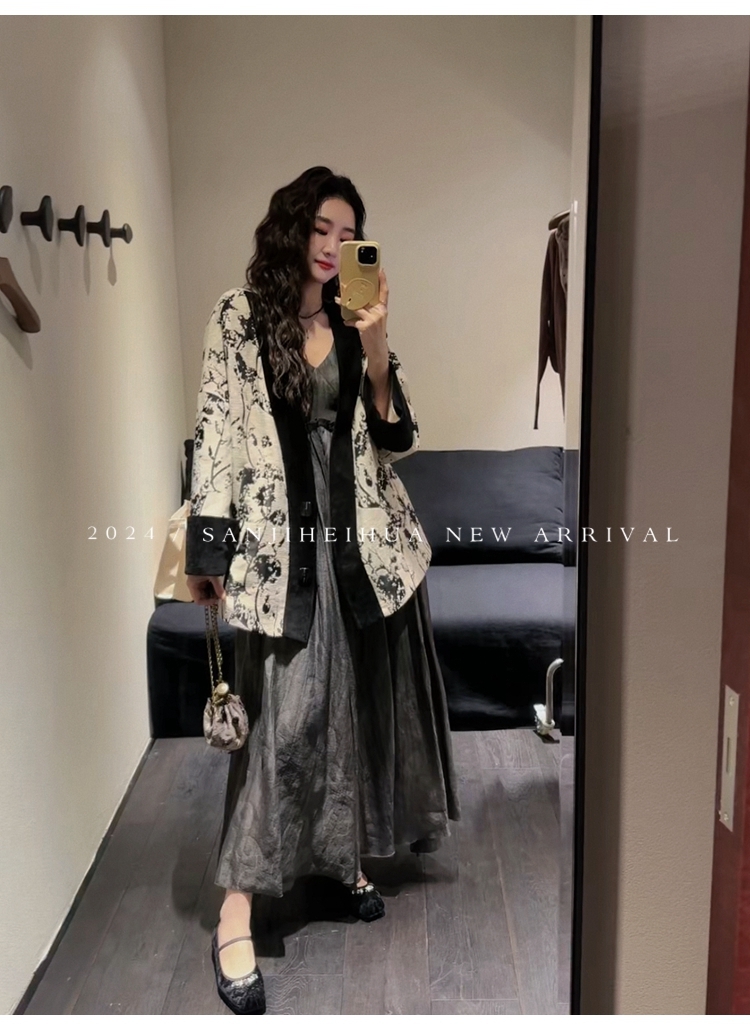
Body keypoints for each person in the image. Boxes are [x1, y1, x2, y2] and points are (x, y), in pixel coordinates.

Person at [185, 166, 459, 1016]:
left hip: (362, 550)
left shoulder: (353, 320)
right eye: (323, 228)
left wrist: (376, 351)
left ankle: (340, 863)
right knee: (287, 721)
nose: (336, 246)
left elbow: (397, 438)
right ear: (293, 228)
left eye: (350, 234)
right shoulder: (238, 316)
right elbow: (216, 433)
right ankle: (237, 910)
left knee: (356, 711)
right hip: (282, 554)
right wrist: (207, 550)